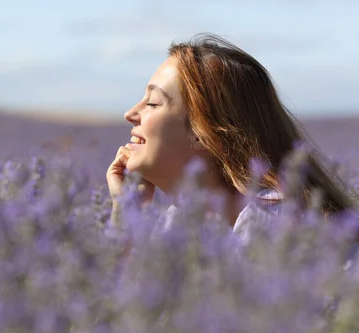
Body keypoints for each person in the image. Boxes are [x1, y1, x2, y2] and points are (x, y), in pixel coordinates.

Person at [106, 33, 355, 240]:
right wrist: (127, 213)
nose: (130, 114)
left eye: (152, 103)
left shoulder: (275, 226)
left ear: (202, 132)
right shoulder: (176, 224)